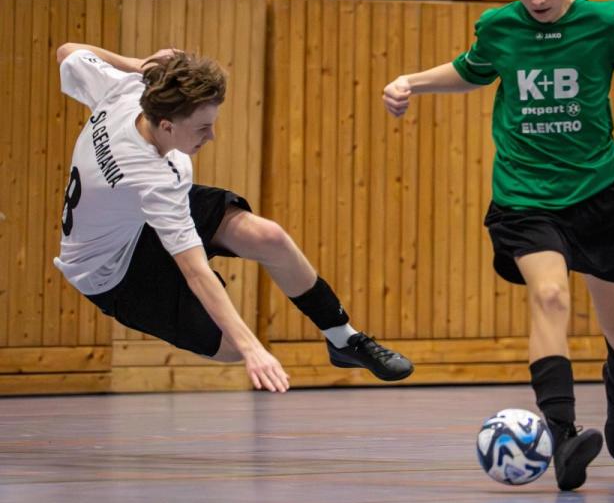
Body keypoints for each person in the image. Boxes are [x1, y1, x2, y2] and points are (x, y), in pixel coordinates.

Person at [382, 0, 614, 490]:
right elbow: (470, 70)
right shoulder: (500, 27)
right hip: (524, 196)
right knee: (549, 295)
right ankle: (563, 438)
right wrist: (410, 82)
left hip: (597, 195)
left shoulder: (608, 22)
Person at [55, 43, 414, 393]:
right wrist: (252, 348)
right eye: (202, 128)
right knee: (231, 347)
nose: (211, 136)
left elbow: (68, 52)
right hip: (111, 271)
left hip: (131, 215)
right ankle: (235, 335)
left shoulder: (128, 90)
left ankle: (343, 339)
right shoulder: (157, 178)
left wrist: (136, 64)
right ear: (167, 126)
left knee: (269, 237)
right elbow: (195, 270)